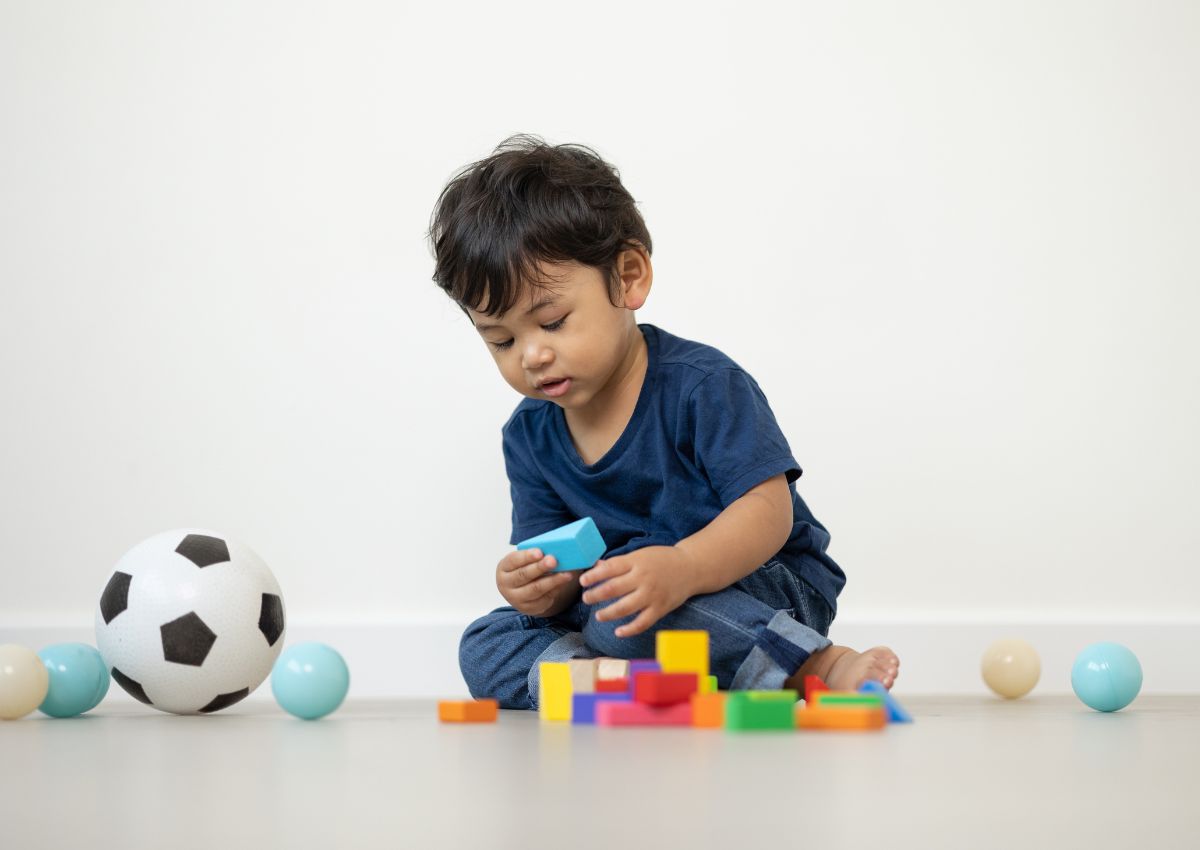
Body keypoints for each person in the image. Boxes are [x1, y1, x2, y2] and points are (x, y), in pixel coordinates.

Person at [428, 134, 899, 709]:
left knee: (623, 617)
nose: (530, 355)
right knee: (485, 642)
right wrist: (535, 589)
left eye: (551, 322)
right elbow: (553, 560)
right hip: (625, 609)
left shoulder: (701, 385)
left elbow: (768, 513)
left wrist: (682, 567)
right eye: (501, 340)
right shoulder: (527, 434)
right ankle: (614, 681)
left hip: (755, 585)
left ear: (628, 278)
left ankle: (815, 663)